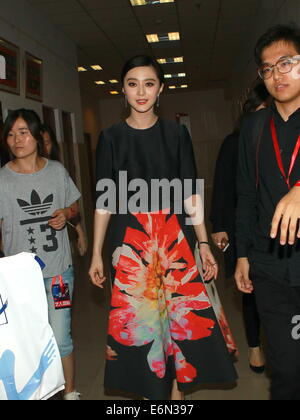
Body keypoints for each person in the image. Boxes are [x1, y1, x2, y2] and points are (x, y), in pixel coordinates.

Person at [89, 55, 237, 400]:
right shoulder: (110, 138)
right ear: (122, 91)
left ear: (161, 90)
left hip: (176, 243)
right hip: (129, 245)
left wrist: (203, 243)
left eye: (149, 83)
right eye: (132, 84)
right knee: (142, 329)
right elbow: (103, 201)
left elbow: (190, 194)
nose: (141, 91)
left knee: (179, 331)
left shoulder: (176, 134)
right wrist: (95, 252)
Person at [235, 24, 300, 400]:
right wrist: (243, 254)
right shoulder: (255, 127)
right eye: (268, 68)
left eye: (286, 62)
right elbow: (245, 194)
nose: (277, 74)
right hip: (270, 266)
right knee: (287, 372)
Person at [0, 109, 81, 400]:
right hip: (19, 280)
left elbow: (75, 207)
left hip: (59, 271)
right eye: (10, 134)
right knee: (28, 341)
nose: (16, 139)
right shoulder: (2, 179)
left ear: (36, 135)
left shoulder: (56, 171)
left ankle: (70, 393)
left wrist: (65, 213)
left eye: (22, 132)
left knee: (61, 338)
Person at [210, 82, 269, 373]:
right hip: (243, 227)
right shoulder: (234, 142)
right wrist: (219, 225)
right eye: (261, 111)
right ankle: (255, 346)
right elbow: (222, 185)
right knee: (250, 289)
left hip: (275, 229)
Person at [40, 124, 87, 257]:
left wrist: (80, 233)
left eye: (47, 143)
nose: (44, 148)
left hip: (56, 241)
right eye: (40, 144)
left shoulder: (58, 171)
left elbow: (70, 205)